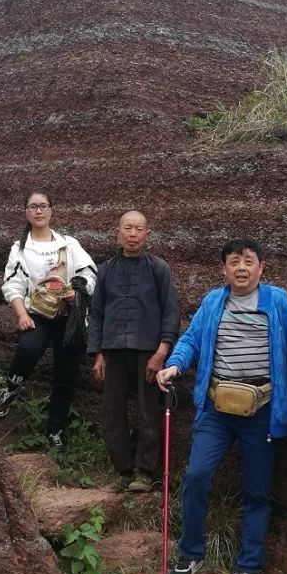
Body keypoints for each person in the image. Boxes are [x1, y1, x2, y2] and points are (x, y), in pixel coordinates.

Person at [156, 238, 287, 574]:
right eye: (234, 262)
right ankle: (190, 553)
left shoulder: (277, 301)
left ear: (261, 267)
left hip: (262, 411)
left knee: (257, 489)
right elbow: (191, 340)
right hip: (216, 409)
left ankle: (249, 567)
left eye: (249, 261)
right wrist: (174, 365)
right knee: (196, 475)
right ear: (223, 269)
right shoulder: (213, 301)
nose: (241, 268)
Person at [0, 191, 97, 452]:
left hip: (68, 317)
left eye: (43, 206)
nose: (38, 211)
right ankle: (10, 389)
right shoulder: (20, 249)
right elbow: (12, 284)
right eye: (33, 206)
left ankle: (55, 431)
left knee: (66, 373)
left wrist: (77, 290)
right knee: (28, 350)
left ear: (51, 210)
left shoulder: (69, 244)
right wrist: (22, 314)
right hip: (37, 314)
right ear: (26, 212)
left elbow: (89, 272)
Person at [88, 211, 180, 492]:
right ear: (118, 233)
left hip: (148, 352)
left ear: (146, 234)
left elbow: (171, 312)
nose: (132, 234)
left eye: (138, 229)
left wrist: (161, 352)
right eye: (127, 228)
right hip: (113, 350)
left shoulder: (158, 269)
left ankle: (144, 472)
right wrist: (98, 354)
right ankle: (123, 471)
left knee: (148, 411)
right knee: (111, 411)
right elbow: (97, 313)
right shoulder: (106, 270)